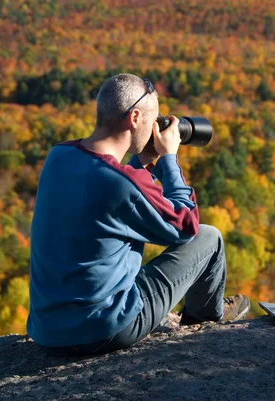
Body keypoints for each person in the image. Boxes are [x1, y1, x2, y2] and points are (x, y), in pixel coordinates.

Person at [26, 73, 250, 357]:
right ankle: (203, 322)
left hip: (47, 330)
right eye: (153, 119)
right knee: (209, 238)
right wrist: (169, 159)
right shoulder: (119, 182)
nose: (156, 128)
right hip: (103, 330)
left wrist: (142, 162)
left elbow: (112, 187)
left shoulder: (58, 156)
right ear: (134, 118)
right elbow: (185, 224)